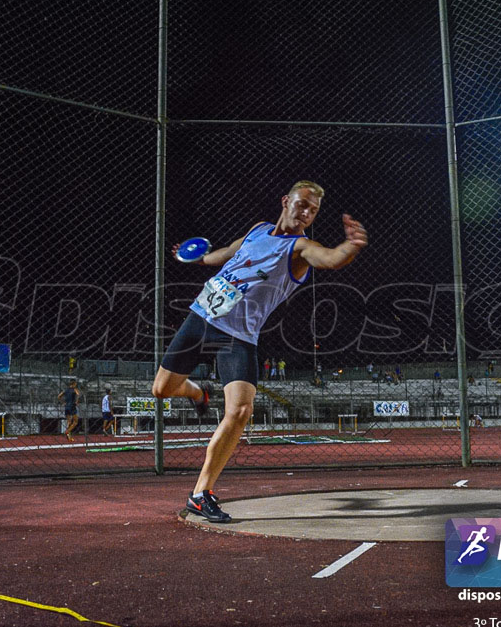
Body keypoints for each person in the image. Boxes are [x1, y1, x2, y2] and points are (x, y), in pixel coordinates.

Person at [152, 180, 367, 522]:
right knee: (161, 390)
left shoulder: (301, 248)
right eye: (302, 204)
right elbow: (232, 251)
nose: (306, 212)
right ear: (286, 200)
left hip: (238, 335)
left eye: (313, 210)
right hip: (202, 315)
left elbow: (329, 258)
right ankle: (197, 392)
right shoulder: (259, 230)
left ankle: (200, 492)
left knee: (240, 411)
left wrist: (350, 247)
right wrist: (202, 258)